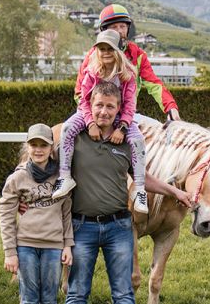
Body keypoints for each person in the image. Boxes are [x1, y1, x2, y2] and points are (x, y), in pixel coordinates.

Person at [64, 80, 192, 304]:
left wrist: (175, 192)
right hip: (82, 225)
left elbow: (143, 177)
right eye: (99, 105)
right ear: (90, 105)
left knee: (123, 293)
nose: (104, 111)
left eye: (110, 106)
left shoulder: (127, 141)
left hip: (119, 226)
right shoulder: (76, 136)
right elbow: (51, 167)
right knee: (77, 292)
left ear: (119, 109)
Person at [52, 29, 149, 213]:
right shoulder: (91, 71)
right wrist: (90, 124)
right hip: (89, 112)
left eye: (110, 48)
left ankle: (139, 189)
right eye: (102, 49)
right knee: (67, 128)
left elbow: (130, 105)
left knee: (138, 140)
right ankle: (65, 176)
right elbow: (83, 101)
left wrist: (122, 127)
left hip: (119, 115)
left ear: (118, 50)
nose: (105, 52)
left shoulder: (127, 75)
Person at [0, 124, 73, 304]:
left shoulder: (61, 178)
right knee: (29, 299)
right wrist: (10, 252)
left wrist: (67, 244)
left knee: (49, 300)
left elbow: (67, 212)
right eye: (33, 145)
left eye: (43, 145)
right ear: (27, 147)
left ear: (52, 148)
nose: (38, 150)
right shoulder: (17, 178)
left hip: (53, 246)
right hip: (26, 246)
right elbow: (6, 215)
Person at [87, 3, 182, 124]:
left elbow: (154, 85)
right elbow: (80, 92)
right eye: (114, 27)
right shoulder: (93, 54)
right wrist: (93, 118)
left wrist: (171, 107)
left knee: (157, 127)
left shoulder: (138, 55)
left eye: (122, 26)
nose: (119, 31)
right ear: (104, 31)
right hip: (98, 115)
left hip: (127, 114)